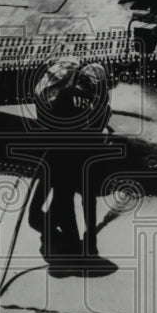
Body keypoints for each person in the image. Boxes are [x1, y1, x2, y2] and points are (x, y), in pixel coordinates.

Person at [28, 58, 112, 262]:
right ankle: (84, 244)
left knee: (38, 215)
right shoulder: (103, 108)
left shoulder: (66, 94)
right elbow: (99, 134)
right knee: (78, 204)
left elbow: (51, 119)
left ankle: (67, 243)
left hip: (57, 160)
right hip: (83, 164)